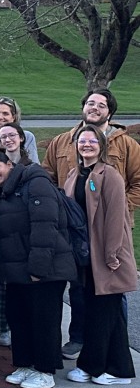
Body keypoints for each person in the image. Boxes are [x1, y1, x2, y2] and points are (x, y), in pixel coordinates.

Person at [42, 89, 140, 361]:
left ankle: (114, 350)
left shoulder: (126, 145)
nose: (94, 107)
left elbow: (138, 182)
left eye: (101, 104)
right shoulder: (63, 142)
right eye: (90, 103)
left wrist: (117, 207)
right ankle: (79, 339)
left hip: (109, 232)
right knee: (79, 287)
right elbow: (47, 177)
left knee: (110, 292)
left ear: (110, 111)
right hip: (74, 232)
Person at [0, 152, 76, 388]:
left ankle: (45, 370)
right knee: (20, 318)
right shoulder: (5, 192)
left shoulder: (36, 183)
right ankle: (25, 364)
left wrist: (38, 269)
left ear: (9, 164)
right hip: (17, 271)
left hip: (44, 270)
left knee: (43, 320)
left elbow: (45, 227)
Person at [63, 125, 137, 386]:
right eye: (82, 141)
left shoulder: (111, 176)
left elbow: (118, 218)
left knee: (102, 313)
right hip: (86, 256)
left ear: (102, 145)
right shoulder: (75, 174)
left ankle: (91, 365)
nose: (86, 145)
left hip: (107, 257)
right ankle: (119, 369)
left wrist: (112, 255)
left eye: (92, 141)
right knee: (106, 313)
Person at [0, 96, 38, 162]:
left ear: (13, 117)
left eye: (5, 114)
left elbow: (34, 165)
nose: (0, 117)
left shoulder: (27, 136)